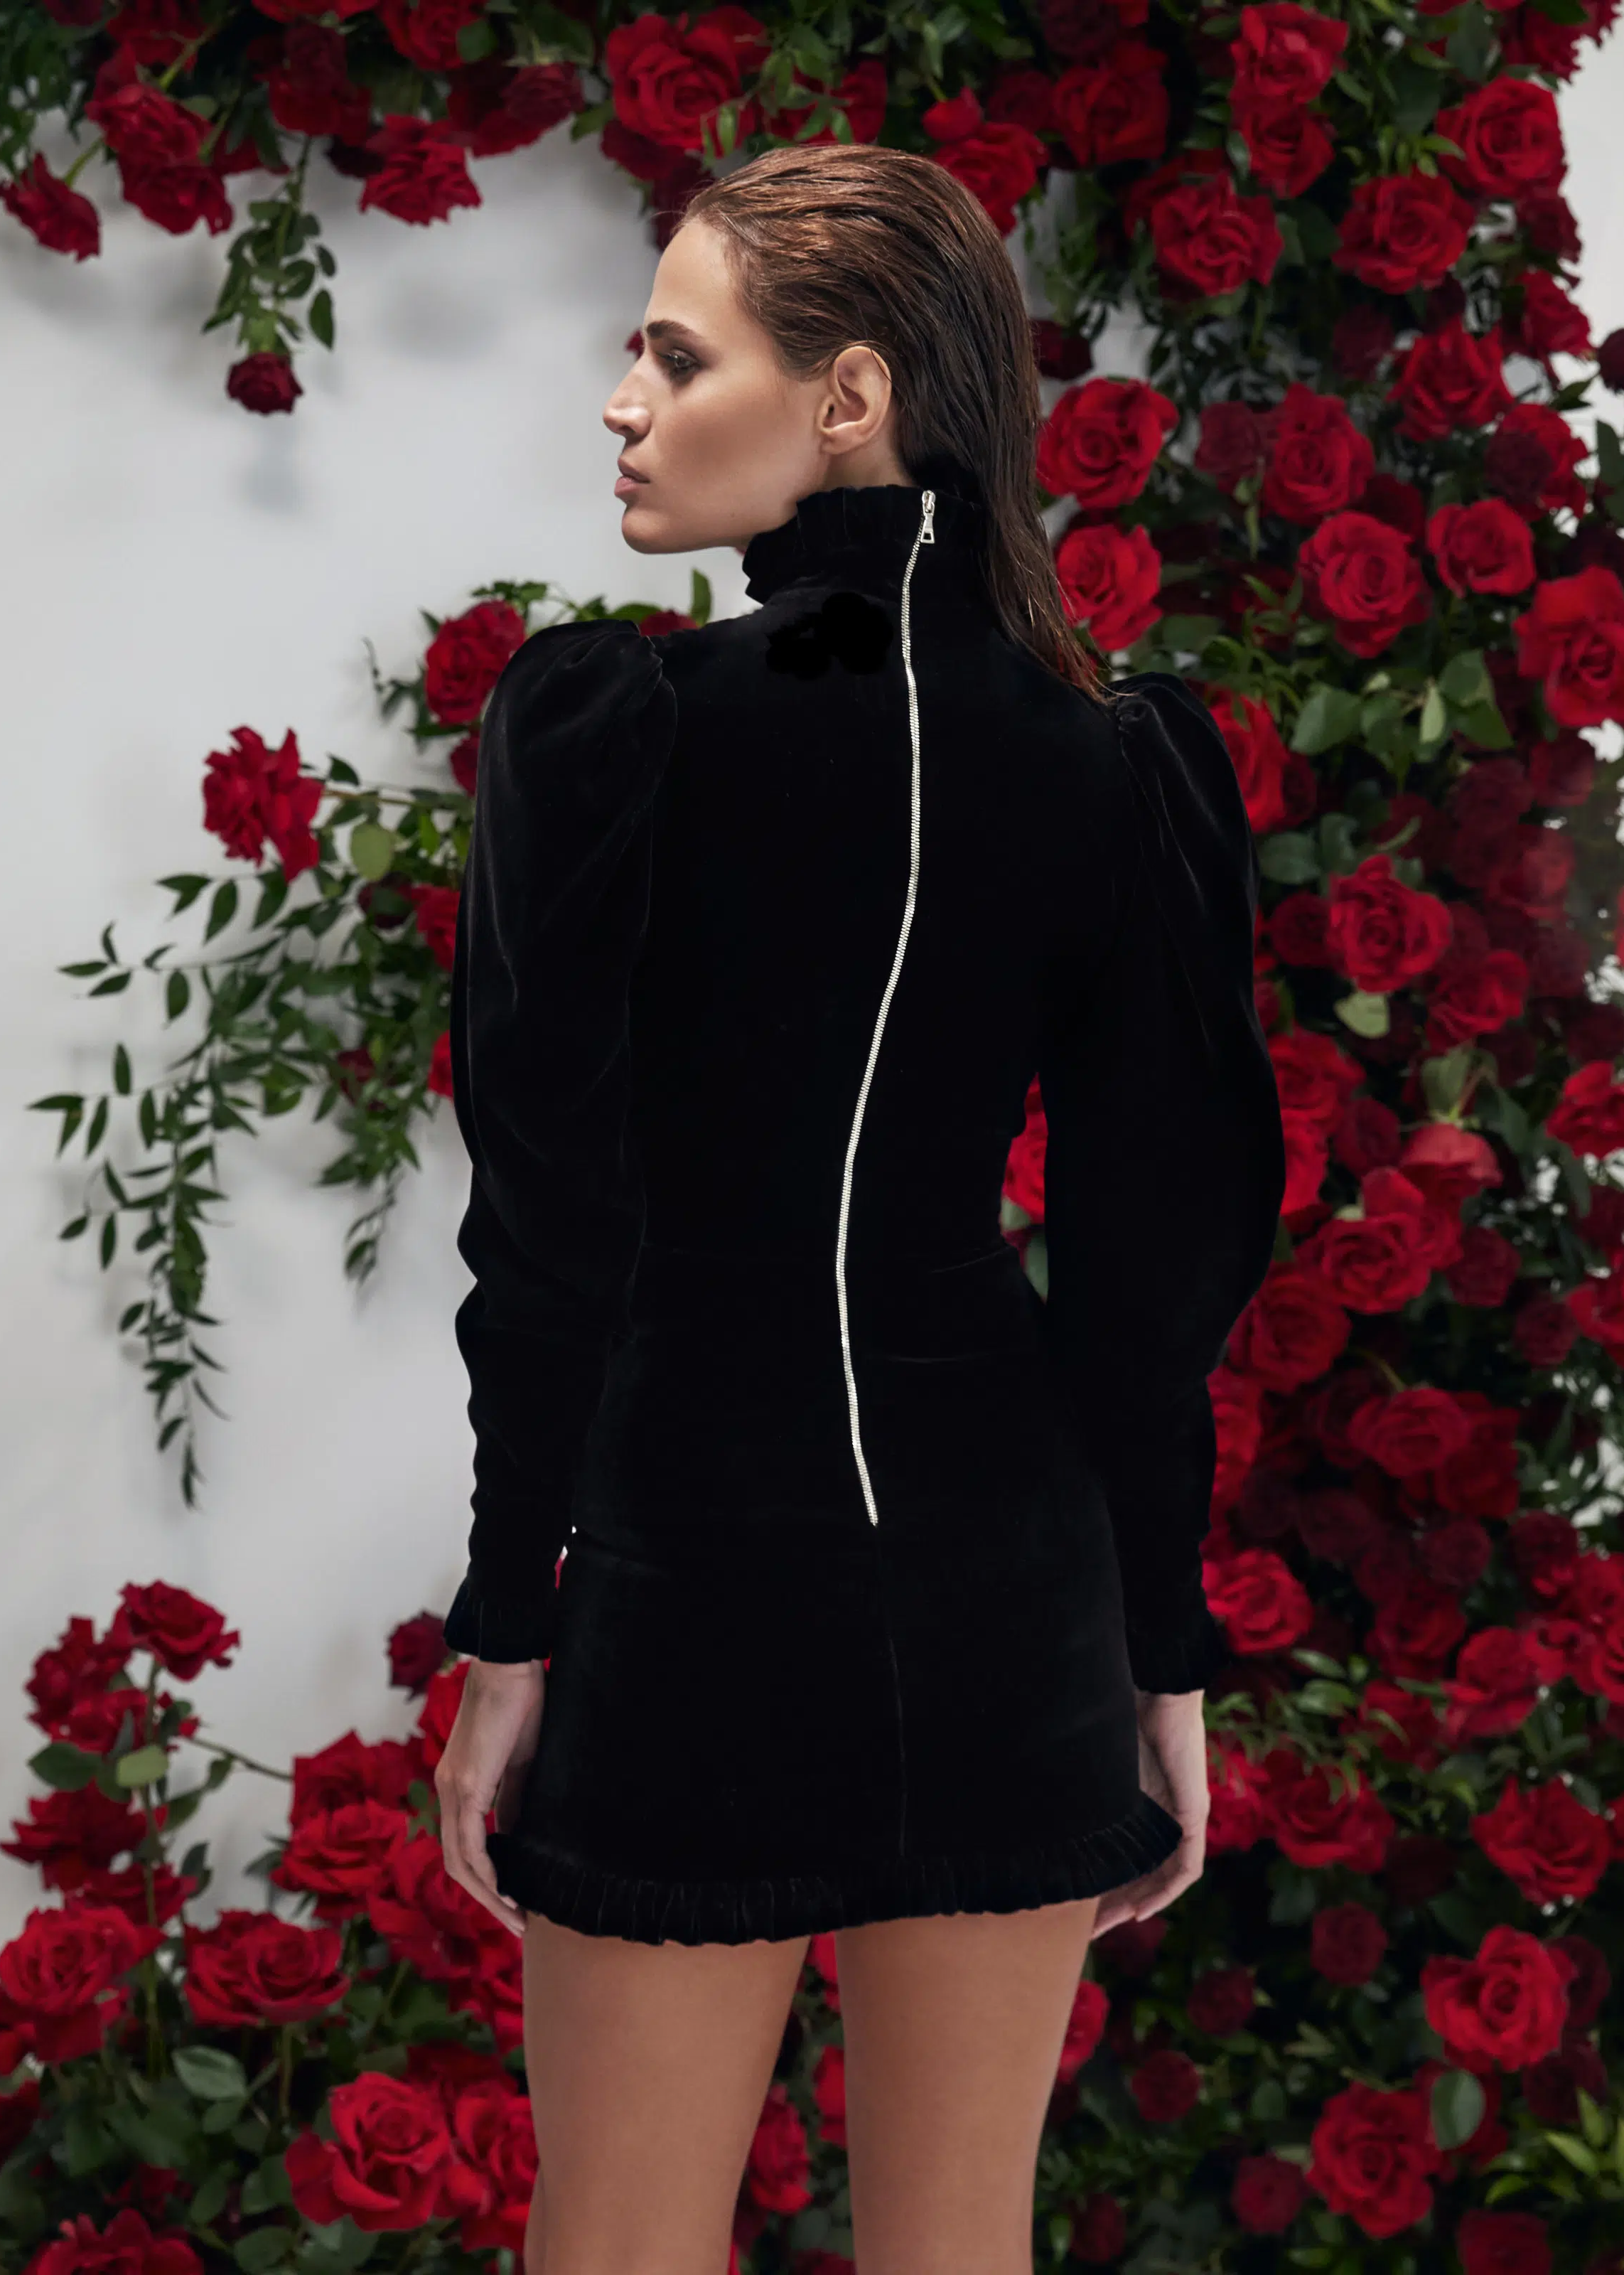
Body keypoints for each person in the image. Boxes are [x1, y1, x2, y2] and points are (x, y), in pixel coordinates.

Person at [431, 140, 1286, 2275]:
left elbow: (548, 1243)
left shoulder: (620, 734)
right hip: (1011, 1594)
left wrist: (505, 1622)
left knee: (615, 2249)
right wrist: (1157, 1650)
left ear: (849, 397)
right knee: (958, 2246)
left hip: (692, 1588)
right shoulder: (1116, 761)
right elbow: (1149, 1270)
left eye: (675, 354)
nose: (623, 400)